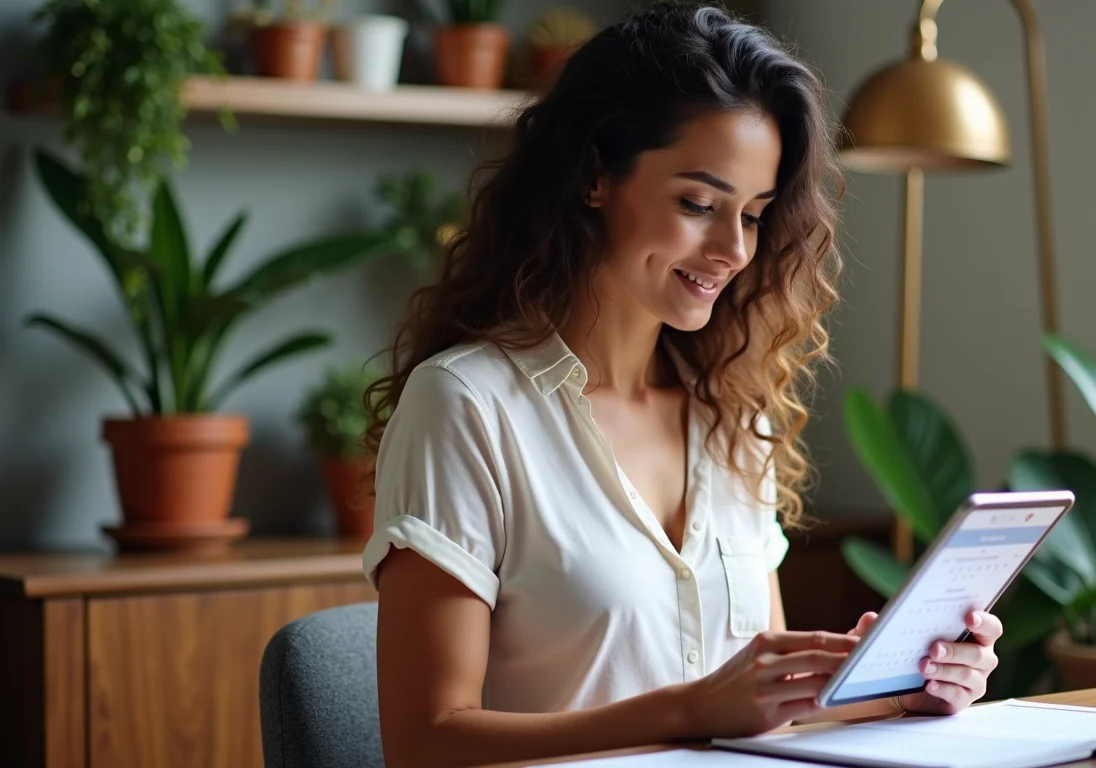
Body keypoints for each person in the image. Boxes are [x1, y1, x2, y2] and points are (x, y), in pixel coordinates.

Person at [360, 4, 1003, 767]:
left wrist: (902, 690)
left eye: (754, 215)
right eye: (699, 204)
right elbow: (423, 742)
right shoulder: (467, 406)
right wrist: (690, 711)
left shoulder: (735, 417)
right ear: (595, 177)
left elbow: (768, 717)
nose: (733, 249)